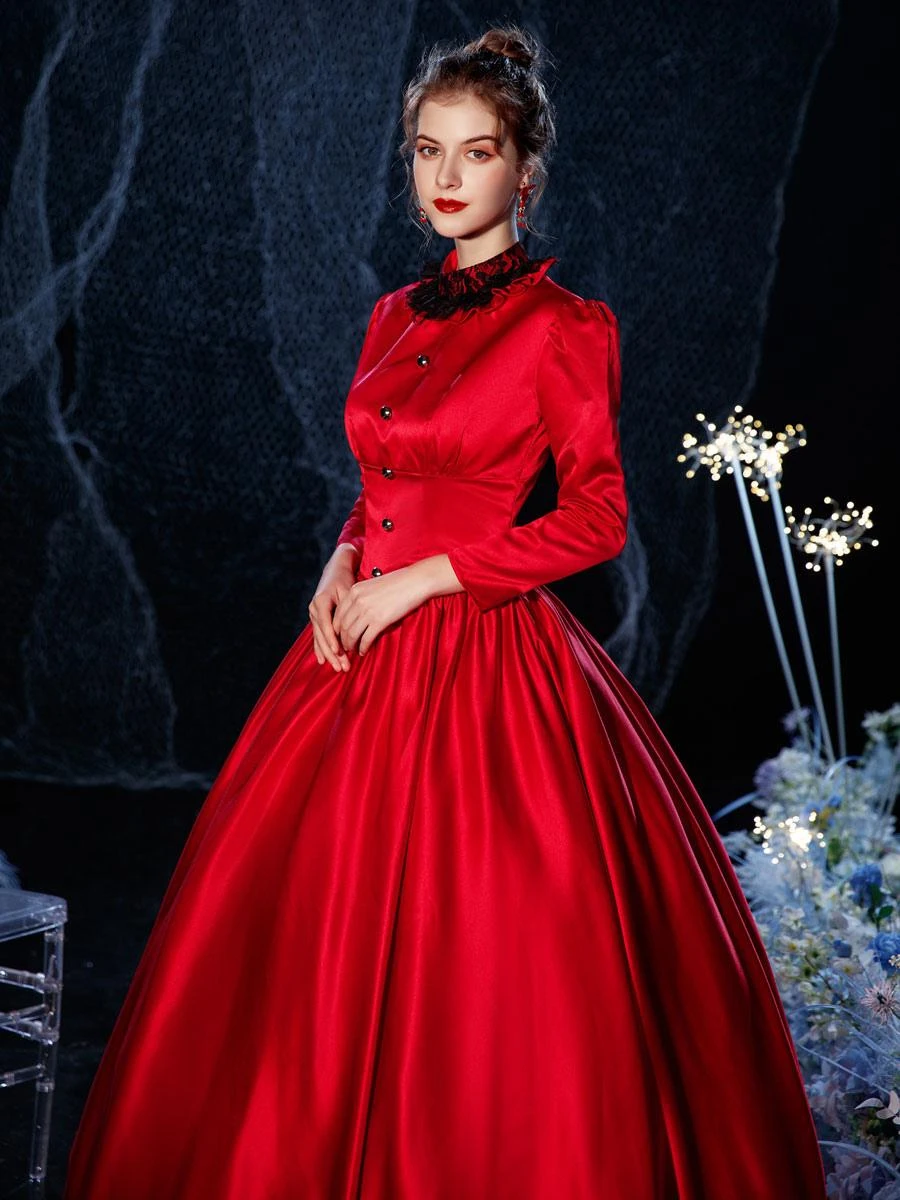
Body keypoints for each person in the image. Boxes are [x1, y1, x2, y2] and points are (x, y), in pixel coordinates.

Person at [64, 24, 828, 1200]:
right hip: (357, 649)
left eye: (477, 152)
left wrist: (425, 578)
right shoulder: (393, 317)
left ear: (526, 173)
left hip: (484, 656)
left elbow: (597, 519)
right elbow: (381, 482)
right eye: (429, 150)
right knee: (304, 945)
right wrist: (343, 558)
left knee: (485, 952)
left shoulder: (565, 326)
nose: (447, 176)